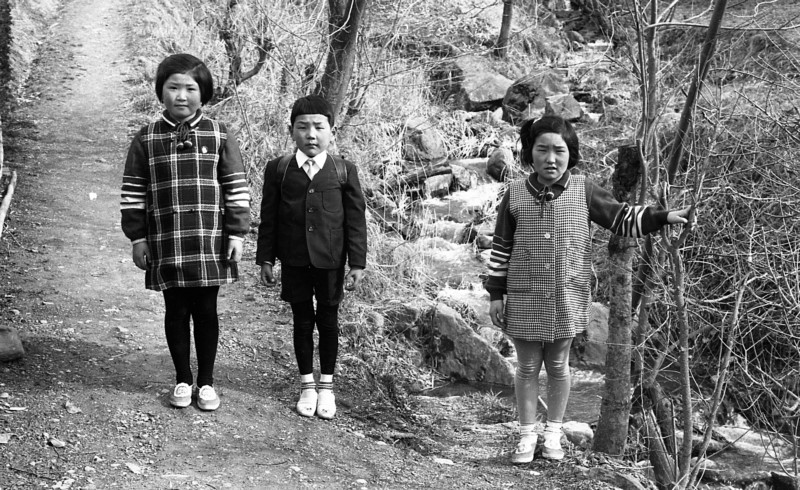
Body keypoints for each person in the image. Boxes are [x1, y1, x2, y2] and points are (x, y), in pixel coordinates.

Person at [485, 115, 691, 464]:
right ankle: (526, 435)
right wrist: (495, 294)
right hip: (522, 295)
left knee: (559, 365)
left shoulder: (583, 190)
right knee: (526, 367)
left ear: (571, 154)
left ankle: (553, 433)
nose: (551, 159)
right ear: (530, 152)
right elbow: (501, 247)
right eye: (542, 150)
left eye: (559, 151)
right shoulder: (515, 194)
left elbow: (622, 217)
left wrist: (664, 217)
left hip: (567, 296)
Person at [120, 53, 250, 411]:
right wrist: (138, 238)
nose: (181, 96)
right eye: (173, 87)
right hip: (167, 238)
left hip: (209, 239)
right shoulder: (146, 138)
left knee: (206, 310)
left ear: (203, 93)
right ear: (160, 91)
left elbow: (236, 187)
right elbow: (133, 192)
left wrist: (236, 234)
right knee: (175, 309)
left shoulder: (219, 134)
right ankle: (182, 378)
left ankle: (206, 382)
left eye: (190, 89)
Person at [256, 95, 367, 420]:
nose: (311, 135)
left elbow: (355, 221)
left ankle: (327, 386)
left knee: (328, 321)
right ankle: (307, 385)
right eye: (303, 127)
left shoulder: (343, 170)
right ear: (291, 131)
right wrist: (266, 258)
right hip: (294, 260)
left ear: (332, 131)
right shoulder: (279, 169)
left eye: (319, 127)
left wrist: (357, 263)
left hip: (331, 262)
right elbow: (269, 217)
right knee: (302, 320)